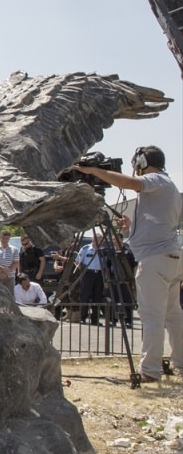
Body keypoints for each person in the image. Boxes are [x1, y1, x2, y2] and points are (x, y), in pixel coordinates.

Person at [75, 146, 183, 382]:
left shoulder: (156, 180)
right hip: (170, 256)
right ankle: (180, 363)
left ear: (143, 162)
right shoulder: (169, 186)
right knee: (173, 314)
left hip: (155, 259)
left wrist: (94, 171)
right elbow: (157, 223)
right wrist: (130, 226)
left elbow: (130, 183)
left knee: (152, 316)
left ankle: (150, 371)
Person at [74, 233, 104, 325]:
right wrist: (82, 270)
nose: (99, 241)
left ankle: (95, 319)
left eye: (100, 240)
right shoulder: (85, 249)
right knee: (85, 296)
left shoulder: (103, 250)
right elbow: (77, 261)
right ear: (93, 239)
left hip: (99, 274)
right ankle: (83, 317)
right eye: (97, 239)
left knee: (97, 297)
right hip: (88, 274)